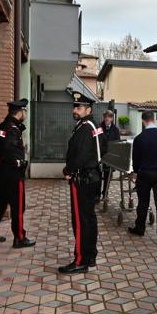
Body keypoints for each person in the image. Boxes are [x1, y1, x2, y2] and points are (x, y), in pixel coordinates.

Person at [0, 99, 36, 249]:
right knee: (18, 206)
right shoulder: (12, 129)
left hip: (2, 171)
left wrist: (0, 158)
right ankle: (19, 238)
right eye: (24, 111)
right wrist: (16, 162)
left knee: (0, 202)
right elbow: (7, 147)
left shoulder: (3, 126)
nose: (25, 114)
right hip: (12, 174)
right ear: (20, 112)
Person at [59, 92, 103, 274]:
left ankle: (80, 261)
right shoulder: (94, 126)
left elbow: (81, 155)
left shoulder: (85, 128)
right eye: (74, 106)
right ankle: (90, 255)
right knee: (89, 219)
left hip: (83, 180)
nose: (75, 110)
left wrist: (68, 170)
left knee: (80, 221)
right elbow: (104, 146)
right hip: (91, 178)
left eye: (79, 107)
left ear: (88, 109)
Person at [128, 111, 157, 246]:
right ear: (154, 120)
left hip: (145, 175)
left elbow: (136, 160)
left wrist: (135, 172)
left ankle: (140, 228)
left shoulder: (139, 138)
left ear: (143, 121)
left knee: (143, 203)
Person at [97, 110, 120, 201]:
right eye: (106, 116)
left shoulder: (116, 129)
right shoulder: (99, 127)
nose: (107, 118)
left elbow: (118, 143)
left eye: (109, 117)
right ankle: (97, 195)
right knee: (98, 177)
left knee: (108, 177)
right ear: (104, 117)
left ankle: (105, 194)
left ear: (112, 118)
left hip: (110, 157)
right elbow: (95, 141)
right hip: (100, 156)